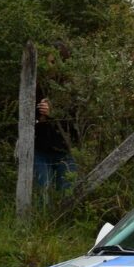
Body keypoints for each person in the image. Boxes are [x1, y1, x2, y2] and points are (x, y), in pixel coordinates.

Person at [34, 43, 77, 191]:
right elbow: (27, 117)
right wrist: (41, 115)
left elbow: (78, 121)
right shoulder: (38, 86)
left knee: (67, 194)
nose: (49, 66)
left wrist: (55, 113)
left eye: (52, 62)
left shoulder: (73, 89)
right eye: (47, 61)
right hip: (40, 149)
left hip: (65, 150)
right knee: (42, 195)